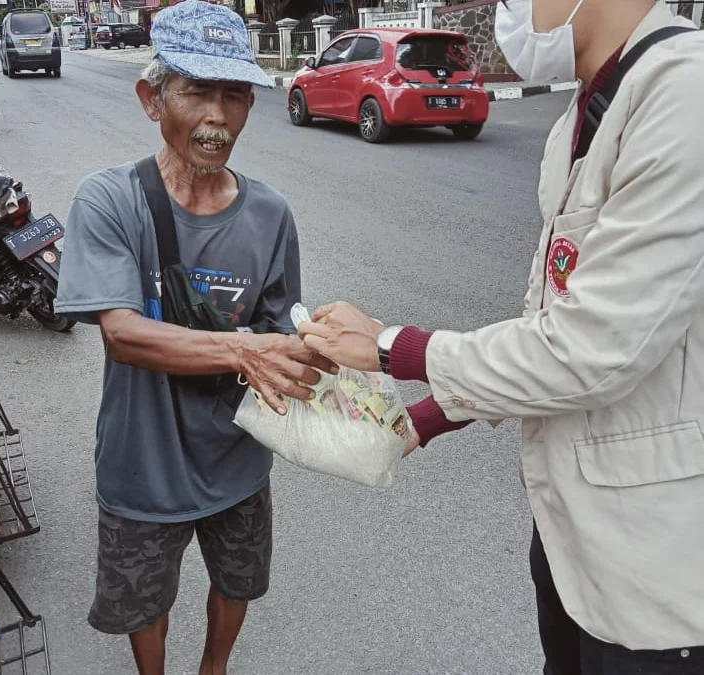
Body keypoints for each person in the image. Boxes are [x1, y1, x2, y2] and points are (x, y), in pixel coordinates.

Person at [299, 0, 704, 673]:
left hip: (655, 577)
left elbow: (589, 350)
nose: (509, 12)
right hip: (575, 541)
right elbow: (541, 334)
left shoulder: (685, 97)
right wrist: (420, 420)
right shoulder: (587, 111)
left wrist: (387, 346)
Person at [54, 3, 333, 674]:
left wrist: (316, 346)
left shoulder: (269, 213)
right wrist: (245, 350)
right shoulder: (110, 200)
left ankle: (214, 668)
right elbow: (122, 334)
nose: (217, 116)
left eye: (233, 95)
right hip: (141, 466)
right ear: (153, 99)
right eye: (196, 92)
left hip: (237, 462)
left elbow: (280, 322)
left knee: (237, 581)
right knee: (144, 600)